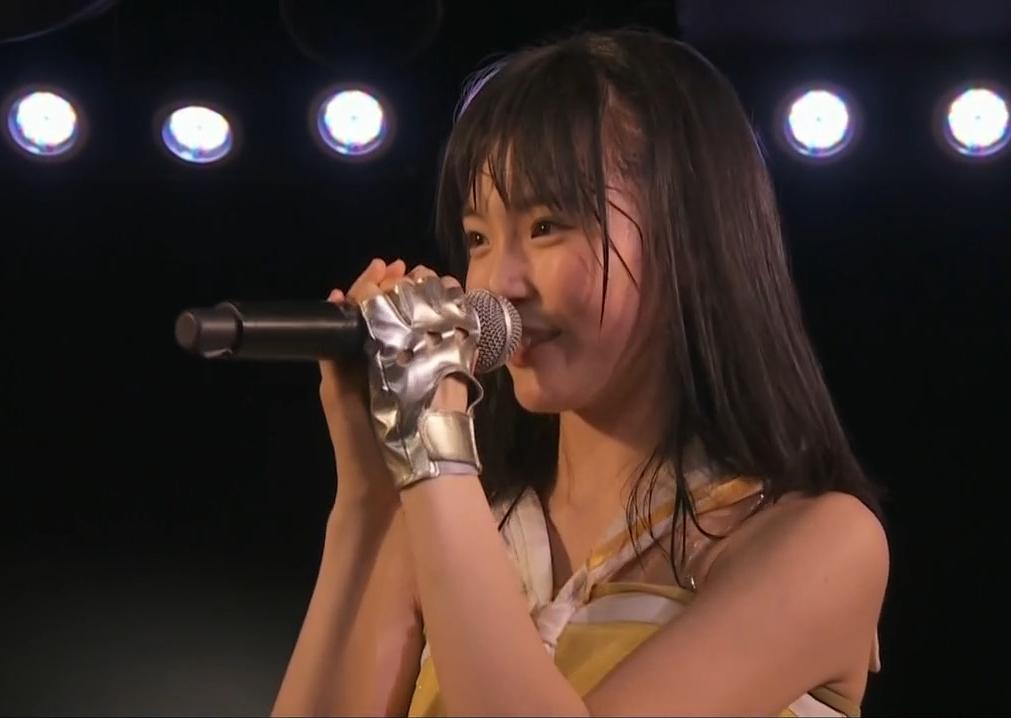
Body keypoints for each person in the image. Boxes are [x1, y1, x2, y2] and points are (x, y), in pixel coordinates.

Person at [271, 28, 889, 717]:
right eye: (478, 238)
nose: (496, 284)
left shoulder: (821, 544)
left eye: (546, 226)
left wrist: (436, 451)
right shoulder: (448, 524)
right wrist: (369, 496)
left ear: (687, 238)